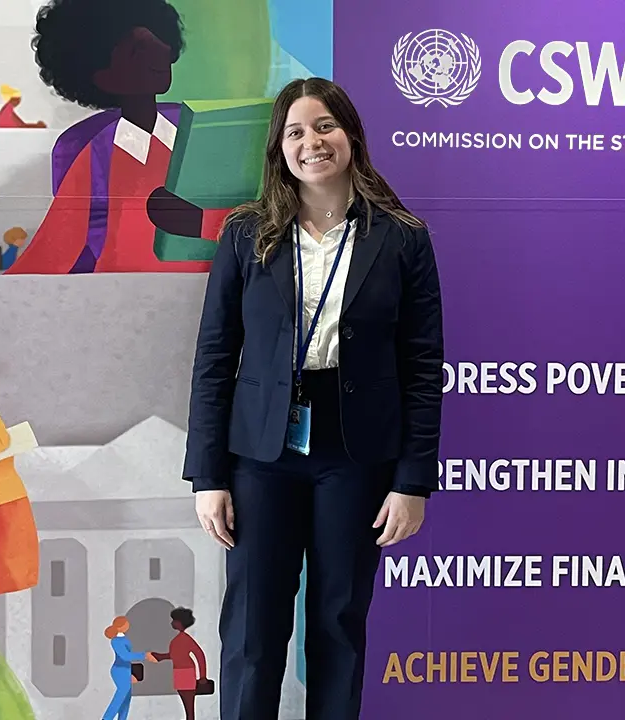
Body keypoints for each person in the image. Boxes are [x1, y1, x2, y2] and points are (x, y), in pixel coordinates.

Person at [183, 77, 444, 720]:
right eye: (295, 132)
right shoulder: (247, 233)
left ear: (350, 134)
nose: (312, 142)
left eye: (324, 126)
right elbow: (214, 358)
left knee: (338, 622)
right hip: (260, 453)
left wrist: (412, 481)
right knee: (252, 629)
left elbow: (421, 367)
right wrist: (208, 475)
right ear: (279, 148)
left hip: (356, 453)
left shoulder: (402, 237)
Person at [5, 0, 209, 274]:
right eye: (137, 49)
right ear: (99, 74)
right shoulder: (85, 150)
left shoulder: (201, 128)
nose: (158, 53)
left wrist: (203, 224)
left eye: (158, 40)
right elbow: (60, 248)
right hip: (120, 289)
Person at [150, 607, 208, 720]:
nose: (172, 623)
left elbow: (200, 655)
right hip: (179, 674)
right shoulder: (177, 639)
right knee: (187, 705)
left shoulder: (185, 639)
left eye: (174, 620)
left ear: (180, 622)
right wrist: (160, 657)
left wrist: (203, 676)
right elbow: (175, 655)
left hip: (186, 674)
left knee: (189, 706)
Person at [102, 616, 157, 720]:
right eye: (126, 623)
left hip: (126, 669)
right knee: (119, 698)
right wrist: (144, 655)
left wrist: (131, 672)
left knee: (126, 699)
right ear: (121, 626)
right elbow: (125, 656)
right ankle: (106, 718)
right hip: (119, 670)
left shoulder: (124, 638)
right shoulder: (115, 641)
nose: (128, 625)